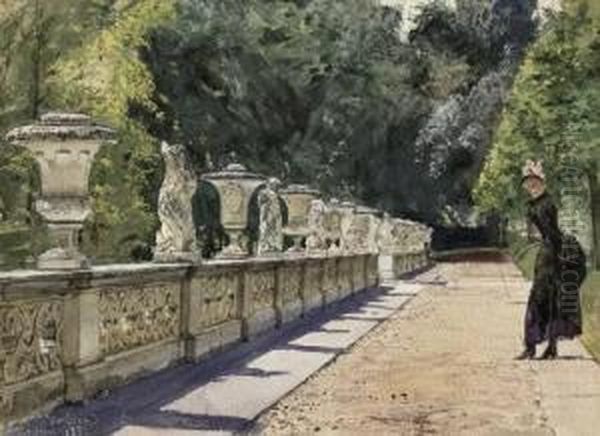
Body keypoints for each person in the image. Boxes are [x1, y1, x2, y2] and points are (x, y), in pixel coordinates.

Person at [517, 160, 587, 360]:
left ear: (542, 183)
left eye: (535, 182)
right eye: (528, 183)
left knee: (551, 297)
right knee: (538, 297)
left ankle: (550, 347)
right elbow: (535, 233)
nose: (531, 186)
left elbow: (552, 231)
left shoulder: (548, 203)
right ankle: (531, 346)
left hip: (553, 252)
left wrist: (563, 253)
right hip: (545, 253)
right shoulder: (531, 205)